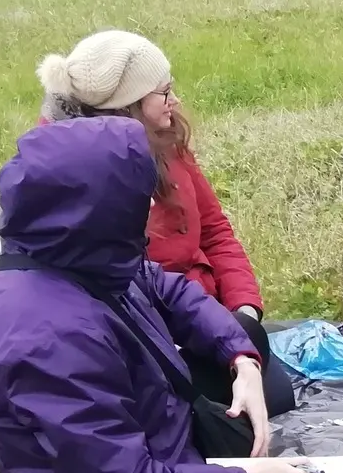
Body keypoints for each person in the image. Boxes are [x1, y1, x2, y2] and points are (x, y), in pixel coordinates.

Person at [0, 117, 324, 473]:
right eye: (141, 198)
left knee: (268, 383)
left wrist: (240, 358)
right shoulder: (40, 334)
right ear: (104, 206)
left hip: (156, 449)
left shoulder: (77, 252)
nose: (150, 211)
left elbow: (170, 290)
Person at [36, 30, 294, 416]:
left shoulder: (166, 140)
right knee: (238, 415)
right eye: (164, 92)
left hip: (200, 313)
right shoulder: (77, 177)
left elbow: (216, 230)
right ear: (128, 107)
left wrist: (244, 309)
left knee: (274, 390)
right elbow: (106, 291)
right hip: (144, 339)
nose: (176, 101)